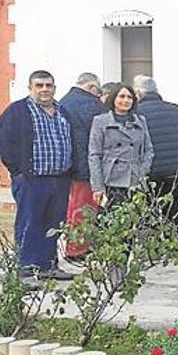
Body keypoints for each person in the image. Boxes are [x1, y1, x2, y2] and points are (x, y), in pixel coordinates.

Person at [0, 70, 75, 280]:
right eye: (39, 85)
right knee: (30, 223)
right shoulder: (18, 111)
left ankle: (48, 266)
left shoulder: (63, 112)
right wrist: (18, 171)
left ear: (54, 88)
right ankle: (26, 268)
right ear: (30, 88)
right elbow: (4, 141)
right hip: (32, 180)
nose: (44, 90)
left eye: (48, 85)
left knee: (54, 225)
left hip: (59, 179)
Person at [133, 75, 178, 228]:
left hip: (150, 169)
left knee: (150, 210)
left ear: (138, 93)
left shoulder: (136, 113)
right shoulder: (174, 109)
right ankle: (172, 242)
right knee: (171, 208)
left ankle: (154, 245)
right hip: (174, 167)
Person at [60, 72, 106, 261]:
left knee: (74, 207)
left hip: (69, 164)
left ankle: (73, 245)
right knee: (85, 208)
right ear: (91, 87)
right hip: (86, 165)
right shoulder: (90, 104)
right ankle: (77, 249)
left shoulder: (64, 101)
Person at [88, 83, 154, 208]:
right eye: (121, 96)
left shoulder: (140, 121)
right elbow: (94, 155)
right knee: (111, 223)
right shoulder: (100, 121)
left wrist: (142, 172)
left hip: (135, 181)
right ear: (113, 99)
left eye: (129, 97)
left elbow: (148, 150)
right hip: (111, 181)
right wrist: (98, 186)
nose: (125, 100)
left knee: (136, 223)